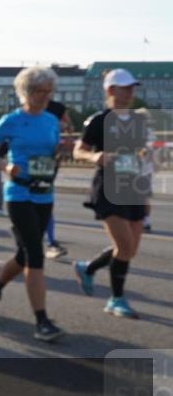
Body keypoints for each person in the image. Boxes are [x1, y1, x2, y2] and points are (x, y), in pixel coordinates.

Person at [0, 67, 63, 342]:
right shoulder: (11, 121)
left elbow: (52, 152)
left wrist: (58, 154)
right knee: (35, 254)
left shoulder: (51, 120)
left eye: (50, 91)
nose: (46, 96)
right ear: (26, 92)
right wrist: (6, 166)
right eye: (41, 91)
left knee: (25, 254)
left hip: (44, 193)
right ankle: (42, 321)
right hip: (19, 193)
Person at [72, 69, 150, 319]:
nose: (129, 92)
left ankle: (88, 268)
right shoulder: (98, 120)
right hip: (108, 189)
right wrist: (95, 156)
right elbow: (78, 151)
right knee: (124, 246)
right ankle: (116, 300)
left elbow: (141, 159)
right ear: (110, 90)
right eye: (124, 87)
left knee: (129, 249)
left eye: (132, 87)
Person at [43, 99, 72, 259]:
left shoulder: (57, 107)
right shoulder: (25, 111)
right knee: (35, 200)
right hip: (30, 160)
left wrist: (67, 140)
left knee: (45, 199)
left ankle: (51, 241)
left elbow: (69, 125)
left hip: (47, 159)